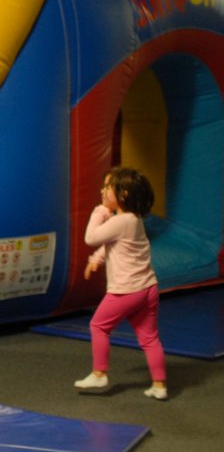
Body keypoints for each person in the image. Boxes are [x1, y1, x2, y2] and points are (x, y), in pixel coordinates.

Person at [74, 166, 168, 400]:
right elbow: (116, 247)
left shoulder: (119, 221)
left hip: (127, 291)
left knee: (98, 326)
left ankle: (99, 373)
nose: (102, 191)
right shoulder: (133, 221)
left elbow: (91, 237)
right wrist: (96, 259)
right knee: (149, 337)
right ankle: (159, 385)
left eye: (108, 187)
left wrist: (99, 212)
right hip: (148, 288)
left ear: (123, 194)